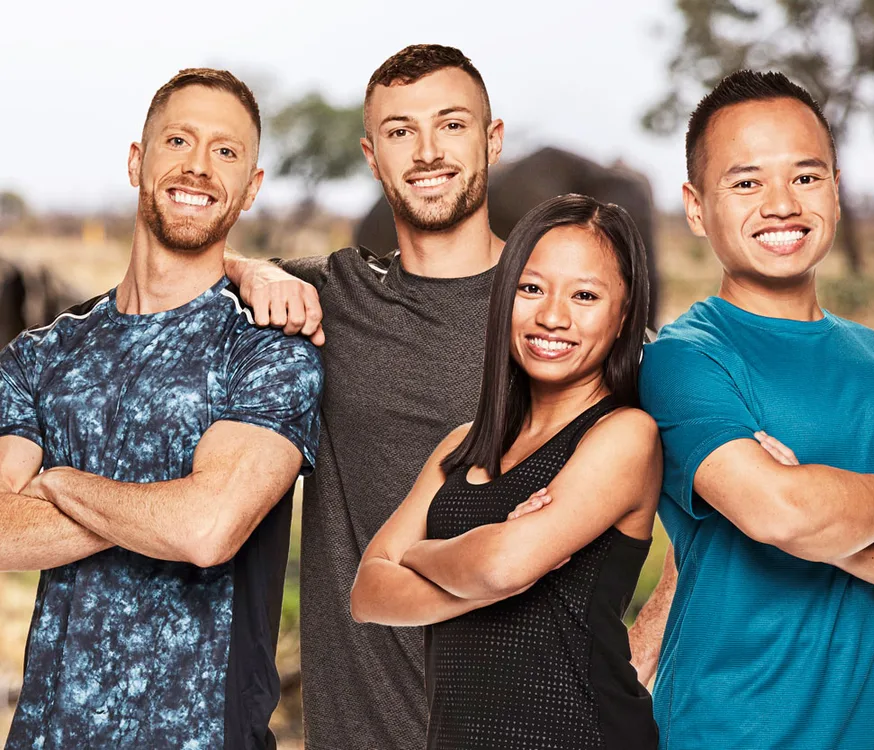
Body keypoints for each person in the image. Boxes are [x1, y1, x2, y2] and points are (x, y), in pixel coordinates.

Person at [226, 44, 665, 749]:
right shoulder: (325, 299)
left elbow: (713, 518)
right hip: (357, 732)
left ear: (493, 140)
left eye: (452, 125)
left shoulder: (579, 334)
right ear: (373, 156)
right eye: (402, 131)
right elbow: (182, 276)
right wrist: (247, 268)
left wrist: (644, 650)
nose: (427, 152)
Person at [0, 68, 323, 748]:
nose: (199, 166)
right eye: (178, 140)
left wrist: (57, 482)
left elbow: (208, 531)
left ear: (252, 187)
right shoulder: (43, 356)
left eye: (226, 151)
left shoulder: (268, 350)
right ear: (136, 161)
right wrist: (166, 509)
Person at [639, 69, 874, 750]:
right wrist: (793, 512)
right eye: (746, 182)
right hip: (725, 730)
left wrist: (812, 510)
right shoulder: (685, 358)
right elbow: (777, 511)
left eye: (806, 177)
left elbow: (796, 518)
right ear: (696, 207)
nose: (781, 204)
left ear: (837, 192)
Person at [350, 194, 660, 749]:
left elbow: (503, 565)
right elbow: (368, 592)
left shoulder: (623, 436)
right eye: (531, 288)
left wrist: (420, 556)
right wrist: (482, 568)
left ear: (623, 316)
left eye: (585, 295)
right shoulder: (462, 446)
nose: (552, 316)